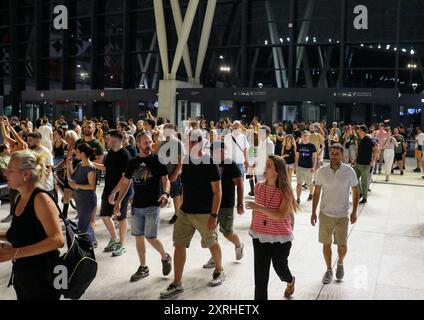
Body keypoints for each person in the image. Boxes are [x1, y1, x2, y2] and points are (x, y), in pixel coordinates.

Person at [160, 129, 224, 299]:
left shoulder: (209, 162)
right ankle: (177, 283)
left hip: (205, 213)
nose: (191, 144)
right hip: (186, 211)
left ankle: (219, 270)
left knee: (211, 242)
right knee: (179, 244)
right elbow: (183, 185)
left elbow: (217, 191)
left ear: (201, 143)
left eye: (194, 141)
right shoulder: (187, 161)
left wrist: (214, 215)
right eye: (189, 141)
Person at [0, 150, 64, 300]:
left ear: (26, 174)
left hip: (44, 277)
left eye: (10, 170)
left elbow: (57, 240)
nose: (5, 173)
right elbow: (21, 232)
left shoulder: (41, 199)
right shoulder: (20, 198)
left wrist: (15, 252)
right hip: (24, 275)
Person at [111, 132, 172, 282]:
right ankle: (143, 267)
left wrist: (165, 193)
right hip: (137, 206)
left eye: (150, 142)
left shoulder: (158, 160)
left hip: (152, 205)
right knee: (138, 237)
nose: (149, 145)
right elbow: (126, 182)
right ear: (138, 144)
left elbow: (166, 180)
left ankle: (165, 257)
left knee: (151, 238)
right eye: (145, 142)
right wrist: (118, 201)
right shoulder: (133, 162)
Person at [246, 155, 297, 300]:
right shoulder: (259, 187)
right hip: (259, 236)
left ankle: (290, 280)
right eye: (266, 164)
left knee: (280, 267)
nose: (265, 167)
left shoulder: (285, 192)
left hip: (280, 237)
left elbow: (280, 216)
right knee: (260, 278)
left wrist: (258, 208)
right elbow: (259, 211)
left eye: (269, 165)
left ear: (277, 171)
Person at [311, 143, 359, 285]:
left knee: (342, 245)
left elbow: (356, 191)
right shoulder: (322, 171)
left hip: (342, 215)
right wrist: (313, 212)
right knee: (326, 243)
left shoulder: (349, 171)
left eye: (337, 154)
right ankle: (328, 269)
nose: (333, 156)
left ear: (342, 155)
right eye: (331, 154)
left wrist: (354, 211)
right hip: (325, 214)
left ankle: (341, 263)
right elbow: (317, 192)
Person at [203, 141, 245, 268]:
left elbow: (240, 184)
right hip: (212, 203)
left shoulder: (230, 164)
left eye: (213, 151)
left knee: (227, 232)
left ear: (221, 151)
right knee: (211, 232)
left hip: (226, 204)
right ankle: (214, 258)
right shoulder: (210, 163)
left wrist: (240, 203)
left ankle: (238, 245)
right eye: (210, 152)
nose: (211, 154)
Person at [92, 130, 133, 257]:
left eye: (108, 139)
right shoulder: (110, 152)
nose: (106, 141)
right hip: (108, 189)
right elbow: (105, 167)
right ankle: (114, 238)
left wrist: (115, 193)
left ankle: (122, 244)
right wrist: (90, 163)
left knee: (121, 218)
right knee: (105, 216)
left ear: (114, 140)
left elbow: (125, 179)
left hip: (122, 191)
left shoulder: (125, 155)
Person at [67, 143, 98, 247]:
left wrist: (76, 185)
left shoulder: (90, 168)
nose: (75, 152)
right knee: (85, 222)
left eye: (77, 151)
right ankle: (92, 242)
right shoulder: (80, 165)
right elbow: (72, 177)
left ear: (83, 153)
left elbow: (92, 186)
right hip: (79, 199)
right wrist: (68, 165)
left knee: (83, 224)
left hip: (87, 200)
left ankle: (85, 246)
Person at [158, 124, 184, 225]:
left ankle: (177, 215)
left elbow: (180, 161)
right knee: (165, 193)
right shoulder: (162, 143)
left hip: (173, 174)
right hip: (163, 174)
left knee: (175, 194)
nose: (164, 132)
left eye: (167, 130)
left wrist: (175, 174)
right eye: (164, 130)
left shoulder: (177, 144)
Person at [353, 125, 379, 204]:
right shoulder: (361, 139)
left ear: (363, 131)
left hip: (365, 164)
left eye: (359, 130)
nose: (358, 132)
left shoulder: (368, 139)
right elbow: (359, 151)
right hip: (358, 163)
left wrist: (373, 160)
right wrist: (355, 159)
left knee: (364, 182)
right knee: (355, 179)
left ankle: (364, 197)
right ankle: (360, 193)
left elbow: (376, 149)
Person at [27, 132, 55, 198]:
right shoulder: (30, 151)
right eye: (27, 140)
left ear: (38, 141)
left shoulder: (46, 152)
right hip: (34, 188)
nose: (28, 142)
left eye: (30, 140)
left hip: (45, 188)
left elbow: (47, 173)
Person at [295, 130, 317, 203]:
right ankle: (298, 198)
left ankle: (311, 194)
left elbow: (314, 158)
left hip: (308, 168)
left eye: (306, 135)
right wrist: (296, 166)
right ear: (301, 136)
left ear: (308, 136)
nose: (304, 137)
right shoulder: (299, 145)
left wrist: (313, 167)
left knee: (309, 183)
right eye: (303, 135)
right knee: (299, 183)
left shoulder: (312, 146)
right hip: (300, 167)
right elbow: (297, 156)